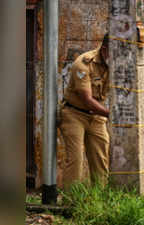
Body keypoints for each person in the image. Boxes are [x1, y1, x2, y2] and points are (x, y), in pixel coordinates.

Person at [60, 33, 111, 188]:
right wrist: (113, 115)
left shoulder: (118, 64)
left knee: (100, 157)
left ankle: (99, 198)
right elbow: (87, 100)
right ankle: (71, 201)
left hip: (96, 116)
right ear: (104, 49)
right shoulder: (83, 64)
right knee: (76, 159)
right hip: (74, 113)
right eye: (115, 52)